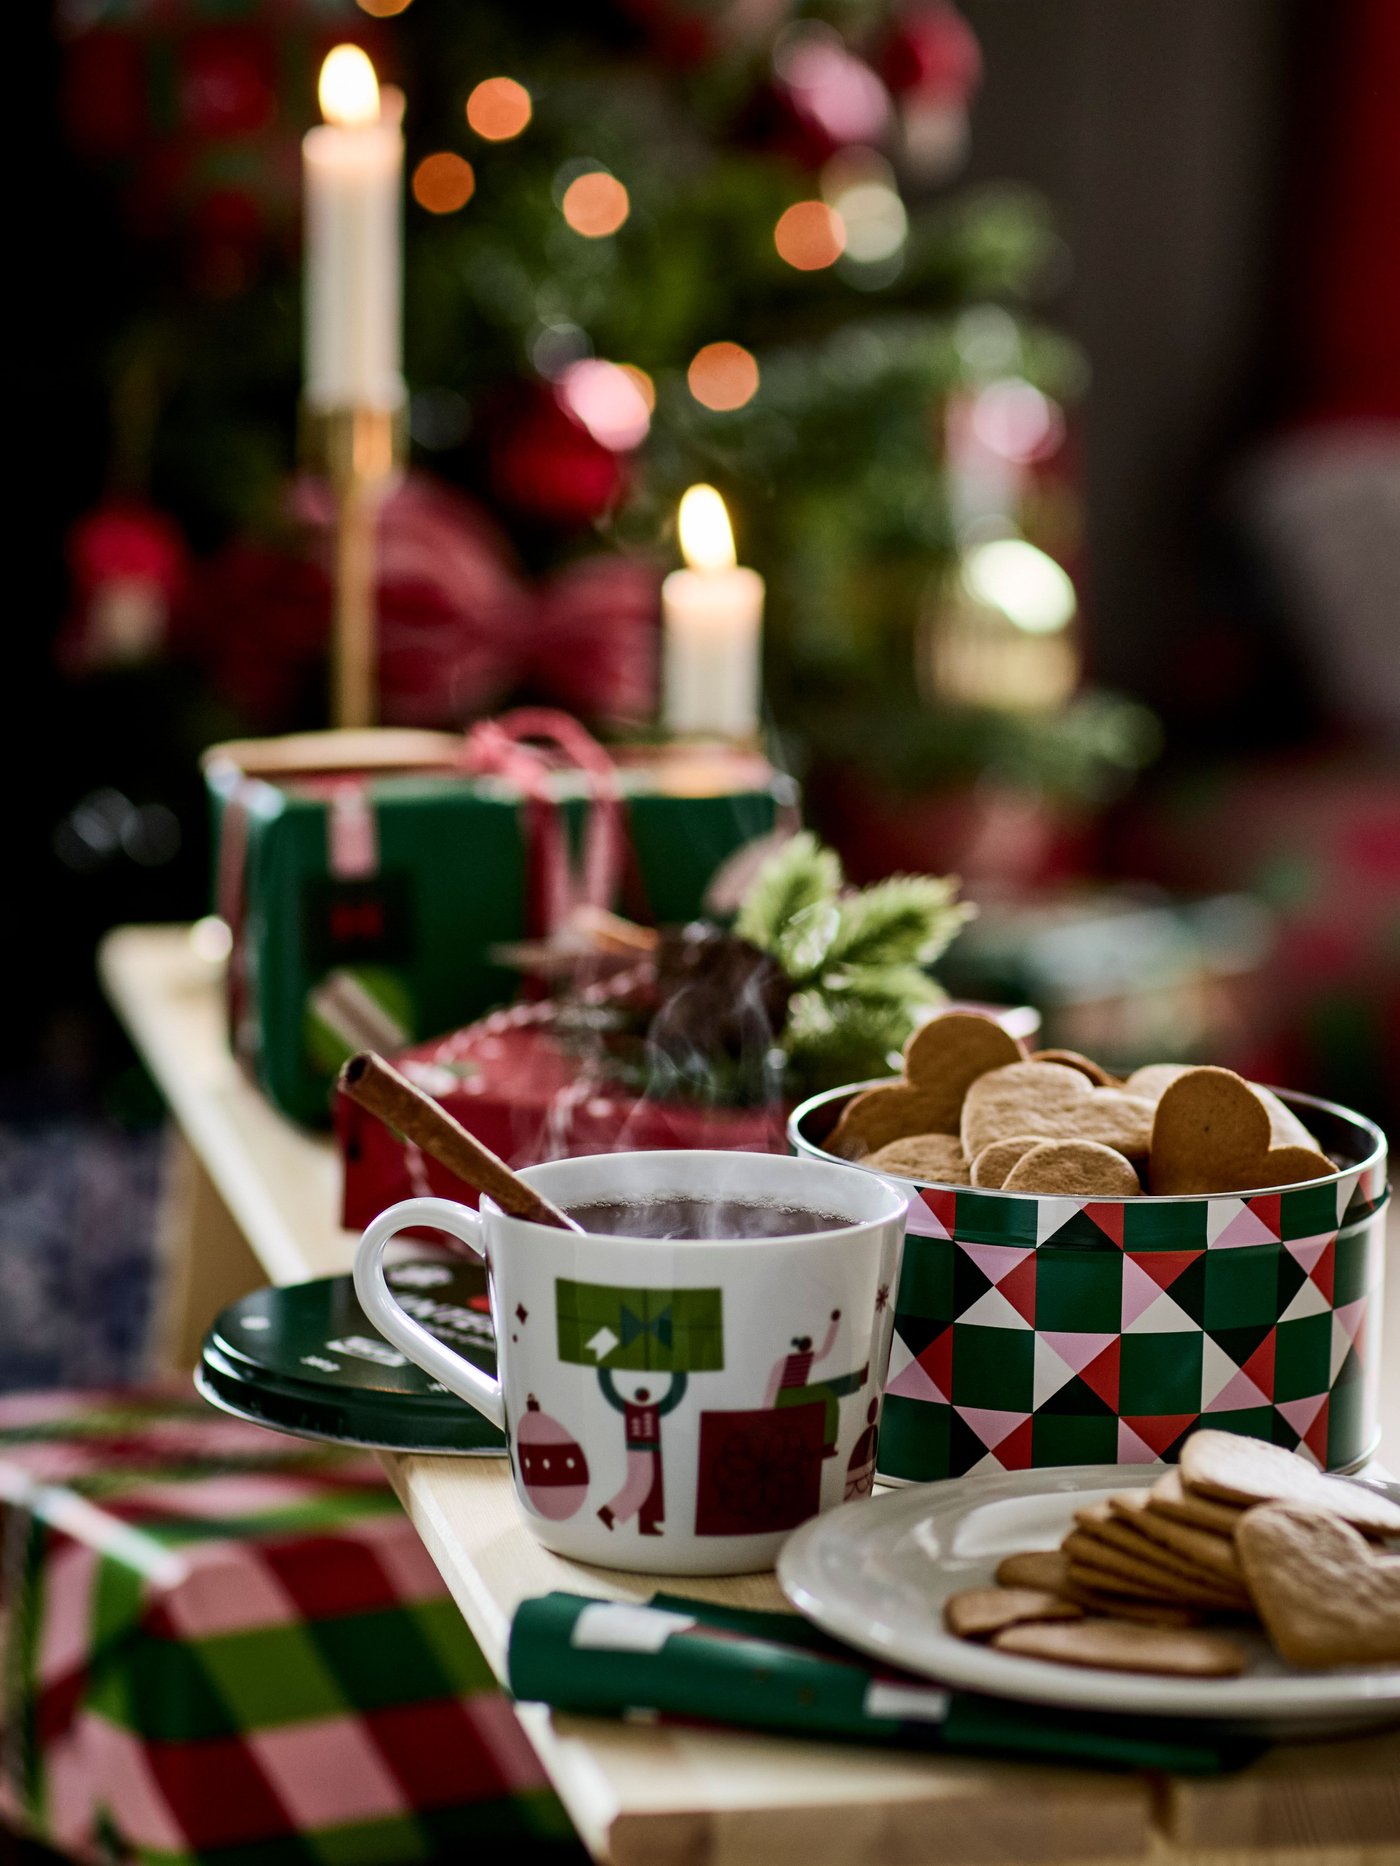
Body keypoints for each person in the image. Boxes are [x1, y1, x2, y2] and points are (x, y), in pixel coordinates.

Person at [596, 1369, 688, 1536]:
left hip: (653, 1450)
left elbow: (674, 1397)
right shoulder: (633, 1409)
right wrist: (604, 1369)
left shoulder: (650, 1409)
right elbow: (610, 1393)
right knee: (639, 1487)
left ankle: (647, 1523)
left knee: (651, 1489)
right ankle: (608, 1512)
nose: (644, 1397)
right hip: (639, 1450)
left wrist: (679, 1368)